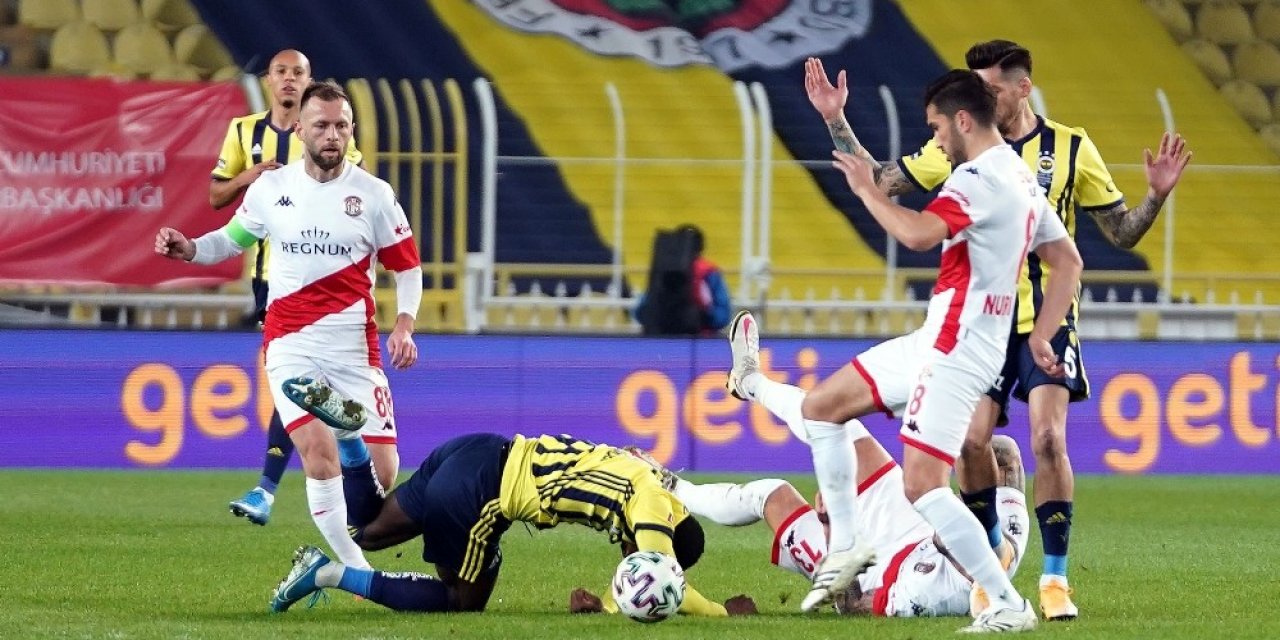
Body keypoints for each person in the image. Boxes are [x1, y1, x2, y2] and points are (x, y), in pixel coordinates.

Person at [803, 40, 1192, 620]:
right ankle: (971, 562)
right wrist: (836, 120)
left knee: (1034, 445)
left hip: (982, 334)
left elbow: (913, 230)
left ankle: (1043, 583)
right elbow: (885, 179)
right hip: (974, 332)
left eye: (987, 90)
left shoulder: (1037, 158)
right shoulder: (997, 166)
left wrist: (1153, 199)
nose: (936, 137)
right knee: (938, 438)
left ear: (1016, 90)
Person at [727, 69, 1083, 633]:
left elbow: (917, 234)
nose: (936, 139)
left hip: (955, 351)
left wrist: (866, 192)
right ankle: (847, 544)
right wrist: (1040, 335)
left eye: (937, 128)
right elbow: (1068, 262)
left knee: (921, 486)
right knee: (822, 407)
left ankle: (1006, 603)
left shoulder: (977, 180)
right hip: (939, 339)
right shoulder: (1019, 175)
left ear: (962, 120)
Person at [155, 81, 422, 570]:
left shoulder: (374, 195)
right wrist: (190, 248)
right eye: (321, 125)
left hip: (354, 348)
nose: (332, 135)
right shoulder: (271, 189)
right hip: (289, 342)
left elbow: (407, 266)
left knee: (383, 479)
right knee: (317, 455)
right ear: (299, 129)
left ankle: (351, 443)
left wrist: (404, 323)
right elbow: (230, 239)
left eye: (341, 126)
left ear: (352, 130)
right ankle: (357, 573)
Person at [266, 411, 756, 617]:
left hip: (476, 449)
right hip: (482, 494)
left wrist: (607, 605)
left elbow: (638, 567)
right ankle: (329, 573)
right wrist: (722, 613)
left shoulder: (642, 473)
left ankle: (351, 441)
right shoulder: (652, 503)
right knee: (461, 600)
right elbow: (654, 573)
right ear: (668, 531)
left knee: (368, 531)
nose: (629, 554)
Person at [209, 49, 366, 527]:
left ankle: (271, 487)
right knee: (295, 381)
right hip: (270, 280)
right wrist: (250, 177)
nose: (290, 80)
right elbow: (215, 196)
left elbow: (354, 189)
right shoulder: (244, 131)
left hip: (322, 280)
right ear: (269, 80)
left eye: (299, 72)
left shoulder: (326, 133)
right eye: (282, 72)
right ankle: (338, 461)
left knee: (294, 380)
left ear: (310, 80)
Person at [621, 435, 1029, 618]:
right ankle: (760, 386)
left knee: (772, 494)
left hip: (869, 573)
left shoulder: (918, 597)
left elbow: (850, 604)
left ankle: (672, 486)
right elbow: (1001, 457)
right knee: (1001, 450)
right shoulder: (1008, 537)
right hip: (910, 529)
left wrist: (833, 528)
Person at [635, 224, 731, 335]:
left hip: (662, 337)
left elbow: (640, 313)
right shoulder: (708, 272)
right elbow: (722, 316)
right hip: (698, 339)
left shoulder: (661, 267)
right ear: (701, 248)